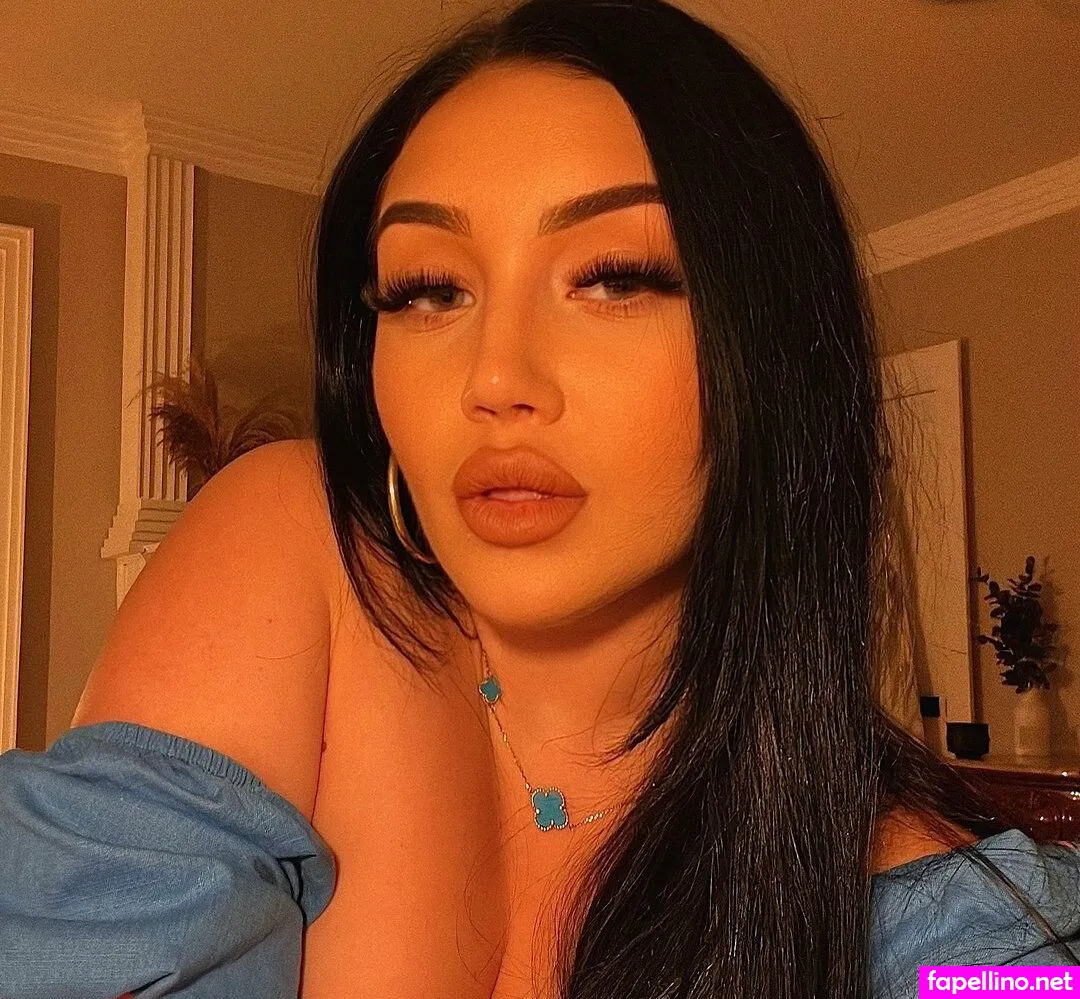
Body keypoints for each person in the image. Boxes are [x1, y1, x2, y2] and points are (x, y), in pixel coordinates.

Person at [1, 0, 1078, 997]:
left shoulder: (971, 934)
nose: (494, 377)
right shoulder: (294, 538)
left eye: (614, 276)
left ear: (773, 354)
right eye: (428, 289)